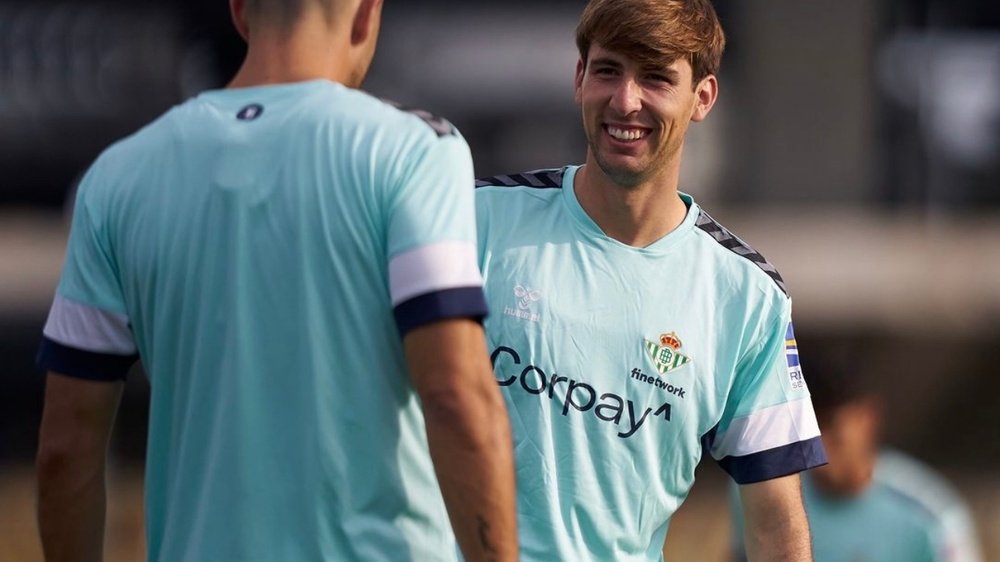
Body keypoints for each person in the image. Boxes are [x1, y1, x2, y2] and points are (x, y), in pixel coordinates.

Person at [34, 1, 518, 561]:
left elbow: (65, 447)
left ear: (241, 13)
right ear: (366, 16)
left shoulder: (115, 176)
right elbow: (454, 393)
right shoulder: (414, 151)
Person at [473, 0, 827, 560]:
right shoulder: (476, 221)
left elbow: (776, 526)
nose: (625, 101)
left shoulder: (746, 297)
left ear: (702, 98)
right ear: (579, 78)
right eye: (608, 70)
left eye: (656, 77)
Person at [730, 346, 984, 562]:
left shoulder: (930, 515)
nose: (814, 440)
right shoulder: (763, 491)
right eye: (806, 423)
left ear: (867, 419)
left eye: (829, 424)